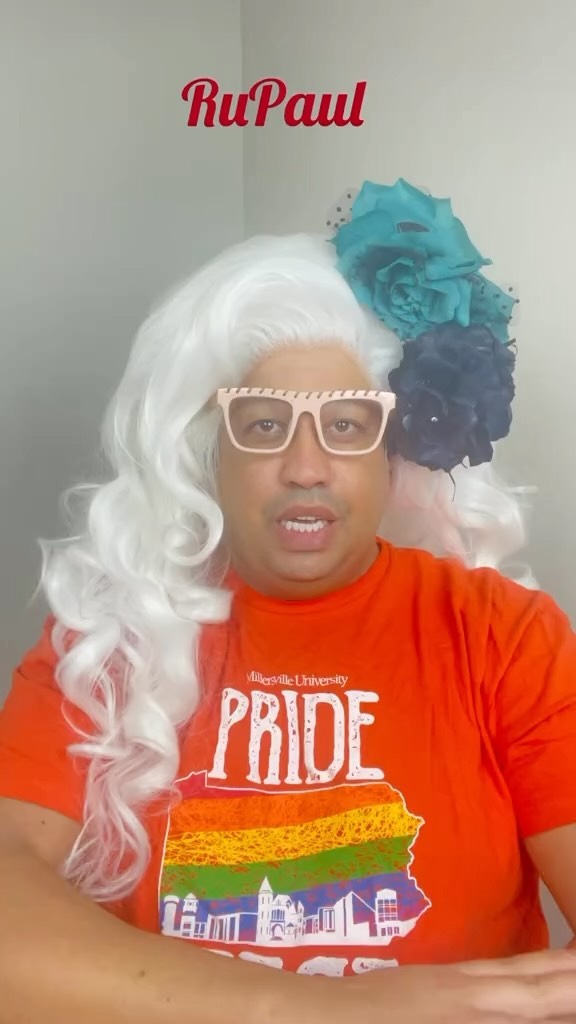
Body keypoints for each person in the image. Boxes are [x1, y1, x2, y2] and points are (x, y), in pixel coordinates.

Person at [1, 178, 576, 1023]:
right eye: (264, 424)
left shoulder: (504, 635)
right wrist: (334, 1010)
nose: (306, 468)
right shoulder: (108, 640)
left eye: (346, 424)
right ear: (211, 453)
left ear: (391, 452)